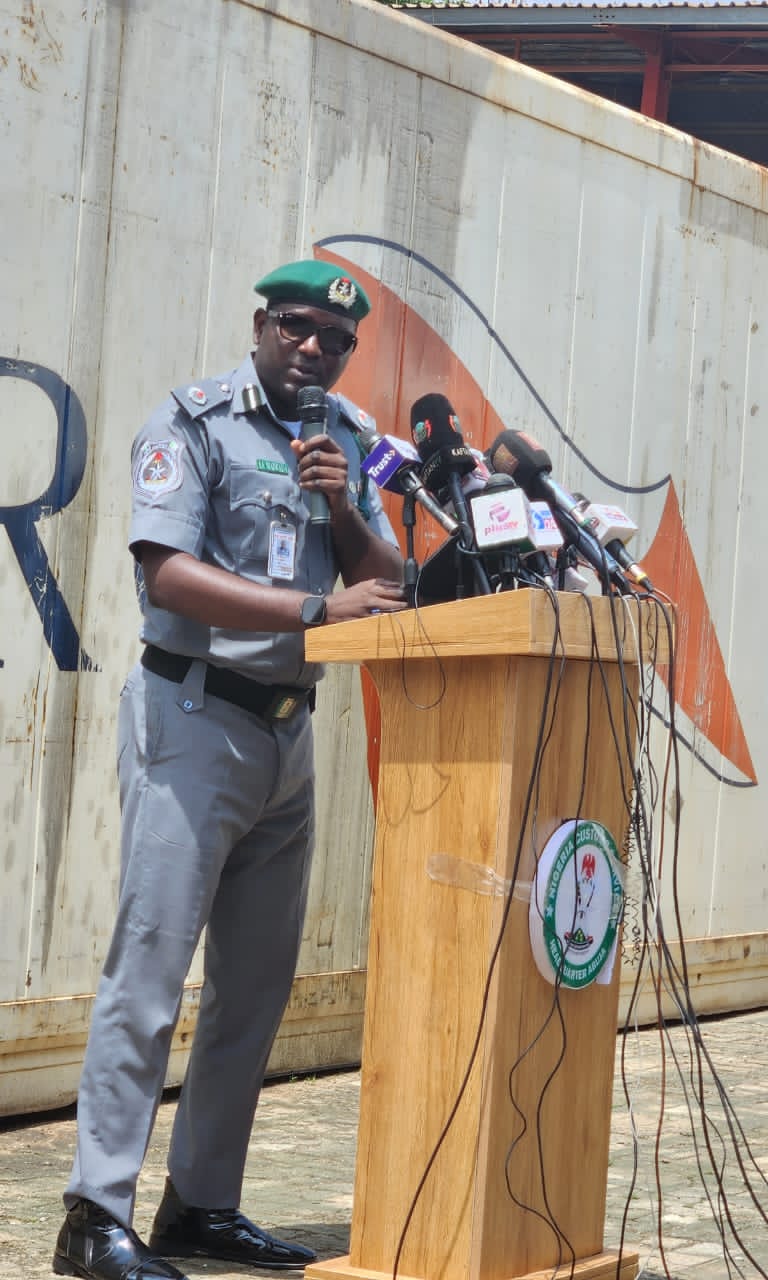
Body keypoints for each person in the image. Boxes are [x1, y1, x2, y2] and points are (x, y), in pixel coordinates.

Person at [53, 259, 406, 1280]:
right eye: (296, 327)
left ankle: (200, 1203)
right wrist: (310, 610)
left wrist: (342, 511)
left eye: (334, 340)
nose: (314, 348)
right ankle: (91, 1211)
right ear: (261, 324)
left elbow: (388, 582)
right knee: (151, 970)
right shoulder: (192, 421)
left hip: (288, 735)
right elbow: (166, 570)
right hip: (193, 716)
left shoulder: (343, 435)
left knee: (254, 985)